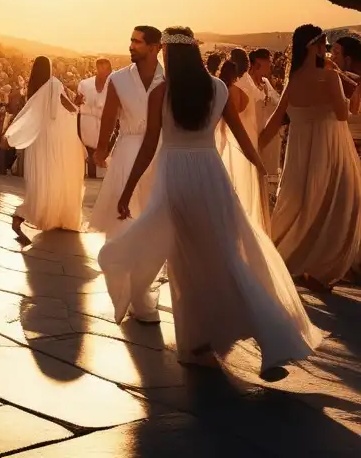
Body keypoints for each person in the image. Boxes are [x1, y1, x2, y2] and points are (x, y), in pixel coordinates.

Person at [97, 27, 321, 373]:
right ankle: (266, 338)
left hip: (174, 179)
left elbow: (148, 148)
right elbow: (240, 134)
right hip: (211, 177)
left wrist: (126, 191)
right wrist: (258, 165)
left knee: (184, 262)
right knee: (230, 255)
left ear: (169, 56)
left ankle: (198, 344)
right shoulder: (217, 89)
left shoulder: (160, 93)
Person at [260, 25, 361, 291]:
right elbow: (343, 115)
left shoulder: (293, 81)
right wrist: (350, 91)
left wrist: (254, 146)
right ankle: (321, 268)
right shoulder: (329, 78)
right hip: (331, 150)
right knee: (337, 206)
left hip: (299, 153)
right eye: (324, 45)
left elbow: (276, 120)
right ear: (314, 47)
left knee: (299, 205)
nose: (326, 51)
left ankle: (291, 259)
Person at [88, 27, 165, 237]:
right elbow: (109, 117)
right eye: (131, 41)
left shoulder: (168, 78)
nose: (131, 46)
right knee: (123, 214)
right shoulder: (118, 79)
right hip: (127, 150)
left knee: (153, 214)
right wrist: (102, 148)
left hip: (161, 152)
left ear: (154, 47)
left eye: (137, 42)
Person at [4, 56, 85, 236]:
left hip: (39, 140)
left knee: (42, 179)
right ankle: (47, 214)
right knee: (56, 176)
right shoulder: (54, 84)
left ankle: (26, 215)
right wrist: (77, 105)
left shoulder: (33, 89)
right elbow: (67, 108)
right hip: (55, 139)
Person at [217, 51, 270, 234]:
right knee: (245, 194)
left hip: (233, 149)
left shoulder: (229, 91)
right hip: (248, 147)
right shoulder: (251, 89)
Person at [247, 49, 282, 176]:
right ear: (258, 62)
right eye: (269, 61)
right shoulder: (246, 84)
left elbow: (277, 103)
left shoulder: (266, 83)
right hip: (253, 135)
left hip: (269, 137)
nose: (271, 65)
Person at [76, 58, 112, 178]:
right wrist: (78, 101)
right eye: (102, 68)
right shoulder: (85, 84)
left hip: (105, 123)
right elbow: (77, 103)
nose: (106, 72)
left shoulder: (113, 85)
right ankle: (90, 173)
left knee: (103, 148)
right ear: (97, 68)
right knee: (88, 149)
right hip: (87, 123)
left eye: (108, 69)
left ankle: (100, 174)